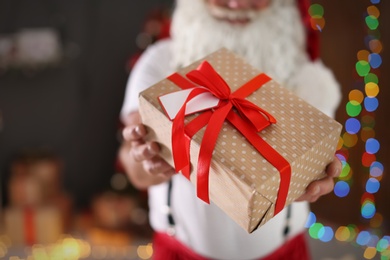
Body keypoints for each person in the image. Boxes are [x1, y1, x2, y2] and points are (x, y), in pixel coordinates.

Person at [119, 0, 343, 259]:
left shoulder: (310, 80)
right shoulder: (160, 61)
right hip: (179, 252)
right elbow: (132, 159)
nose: (237, 3)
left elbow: (316, 164)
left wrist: (313, 175)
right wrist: (146, 160)